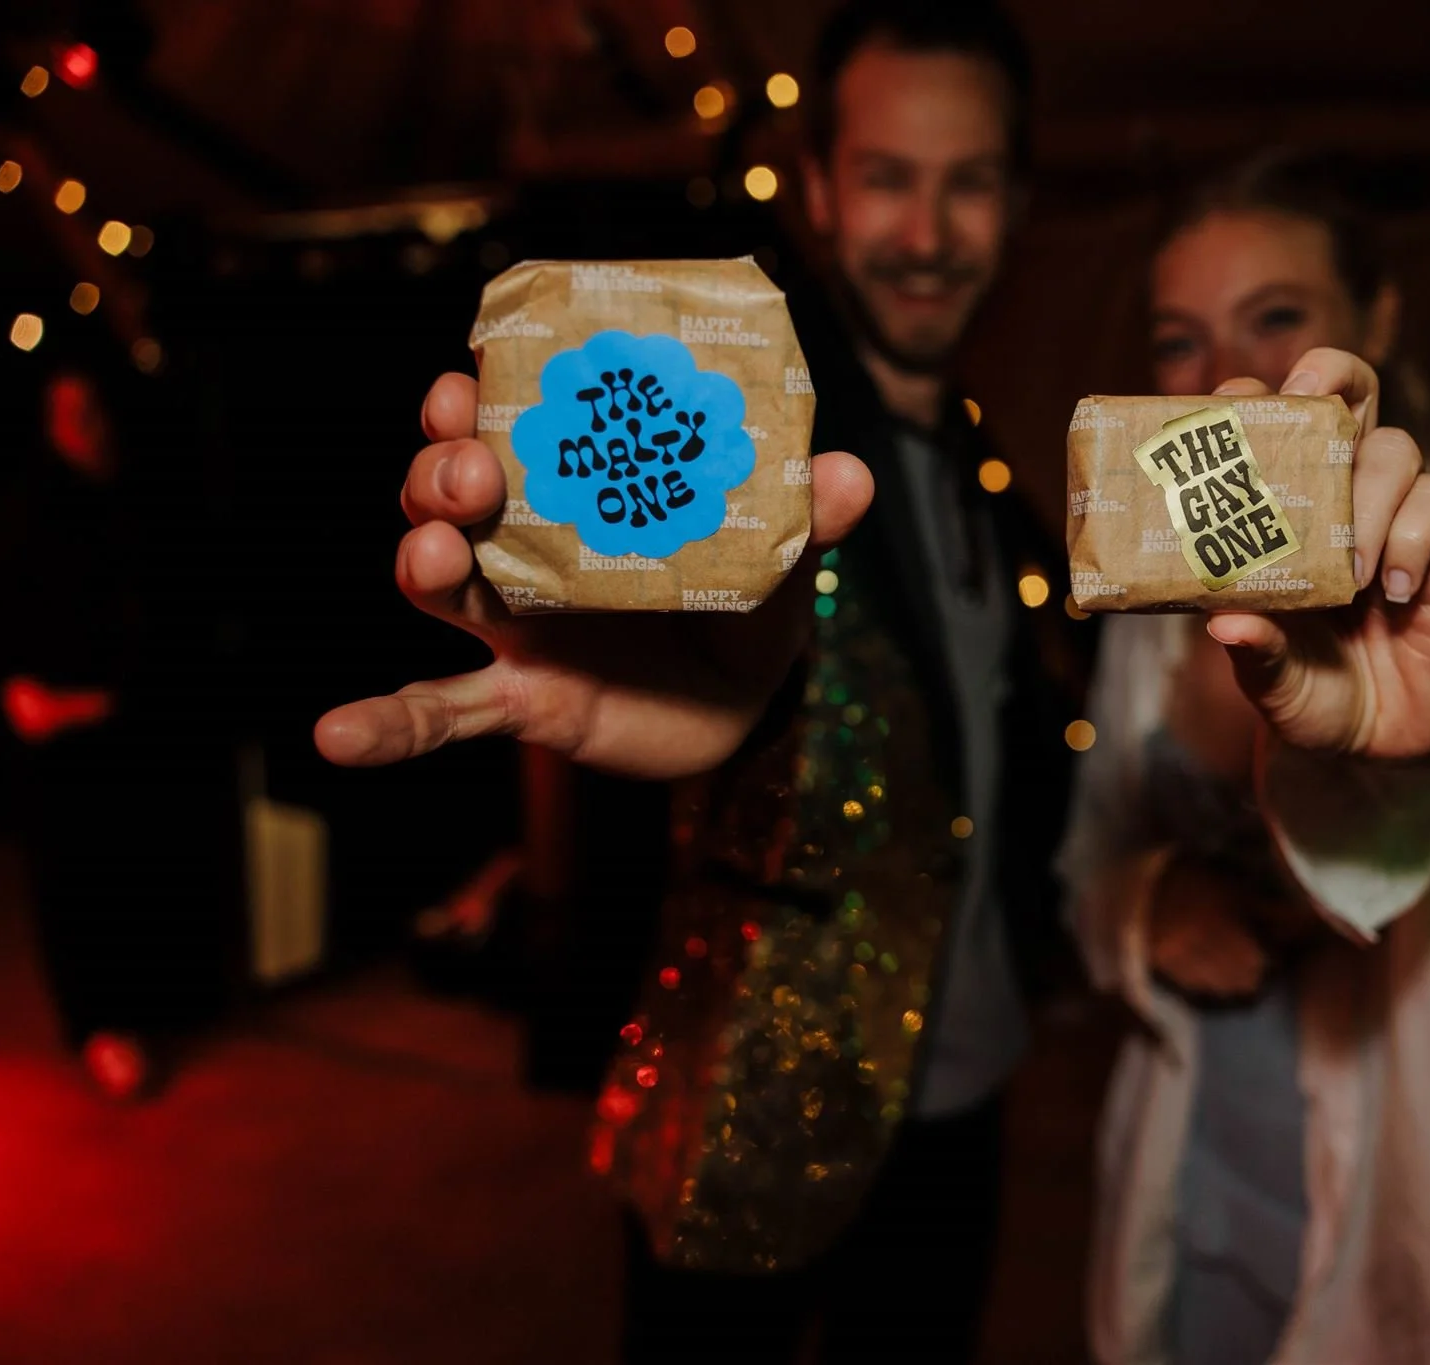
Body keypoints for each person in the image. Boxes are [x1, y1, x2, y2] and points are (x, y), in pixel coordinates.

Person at [316, 4, 1088, 1359]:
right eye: (889, 177)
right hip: (753, 1101)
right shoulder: (735, 421)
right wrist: (586, 576)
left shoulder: (989, 460)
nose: (928, 232)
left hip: (967, 1084)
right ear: (821, 190)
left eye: (968, 182)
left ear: (1015, 203)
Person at [1058, 153, 1430, 1365]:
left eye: (1275, 317)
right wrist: (1149, 904)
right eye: (1178, 341)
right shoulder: (1148, 599)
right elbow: (1086, 861)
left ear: (1374, 322)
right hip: (1200, 1193)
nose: (1222, 380)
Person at [0, 367, 238, 1101]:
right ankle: (99, 1024)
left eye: (94, 410)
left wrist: (128, 696)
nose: (88, 427)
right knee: (75, 878)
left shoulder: (145, 498)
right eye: (70, 414)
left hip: (135, 720)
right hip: (61, 738)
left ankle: (151, 1005)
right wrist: (24, 691)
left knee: (140, 864)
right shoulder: (25, 509)